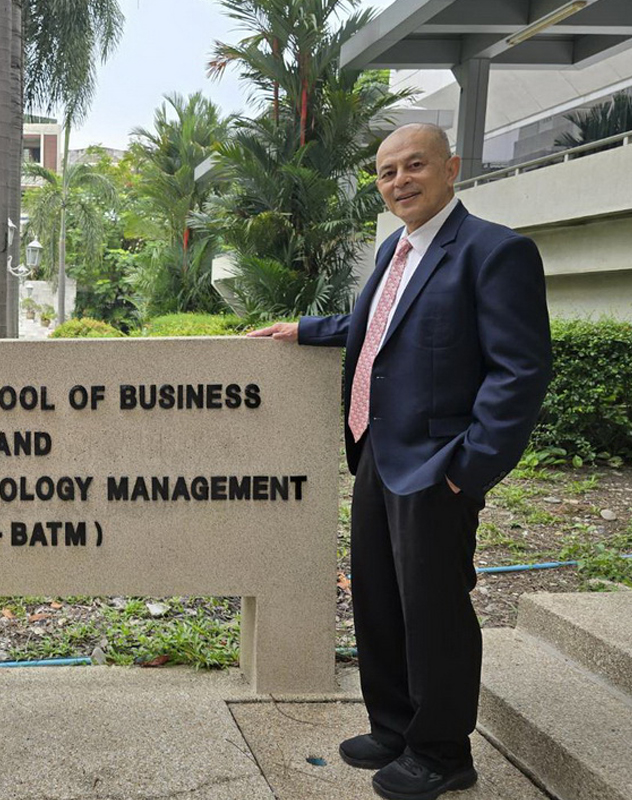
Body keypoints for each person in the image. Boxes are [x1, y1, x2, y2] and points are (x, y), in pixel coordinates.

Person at [250, 123, 552, 800]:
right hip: (377, 453)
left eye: (414, 165)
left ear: (451, 167)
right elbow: (376, 327)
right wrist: (305, 330)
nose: (399, 181)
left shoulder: (495, 251)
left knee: (434, 610)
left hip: (439, 466)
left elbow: (520, 372)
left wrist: (468, 469)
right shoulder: (396, 249)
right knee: (379, 598)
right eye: (387, 173)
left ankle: (443, 752)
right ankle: (394, 727)